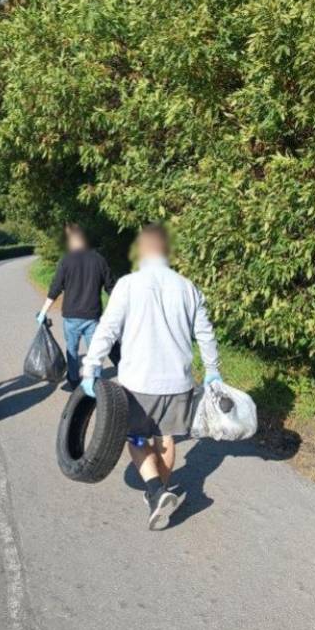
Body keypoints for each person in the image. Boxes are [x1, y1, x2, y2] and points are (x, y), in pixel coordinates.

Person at [80, 224, 223, 530]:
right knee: (166, 437)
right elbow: (206, 334)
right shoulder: (188, 287)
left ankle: (156, 490)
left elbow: (107, 330)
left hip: (139, 382)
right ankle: (158, 493)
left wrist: (91, 367)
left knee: (137, 438)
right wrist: (212, 371)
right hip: (179, 382)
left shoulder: (128, 285)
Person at [36, 223, 116, 390]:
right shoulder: (99, 260)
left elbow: (55, 288)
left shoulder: (66, 260)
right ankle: (95, 382)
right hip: (92, 316)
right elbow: (111, 288)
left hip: (71, 317)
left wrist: (43, 311)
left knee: (72, 350)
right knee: (94, 352)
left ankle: (73, 380)